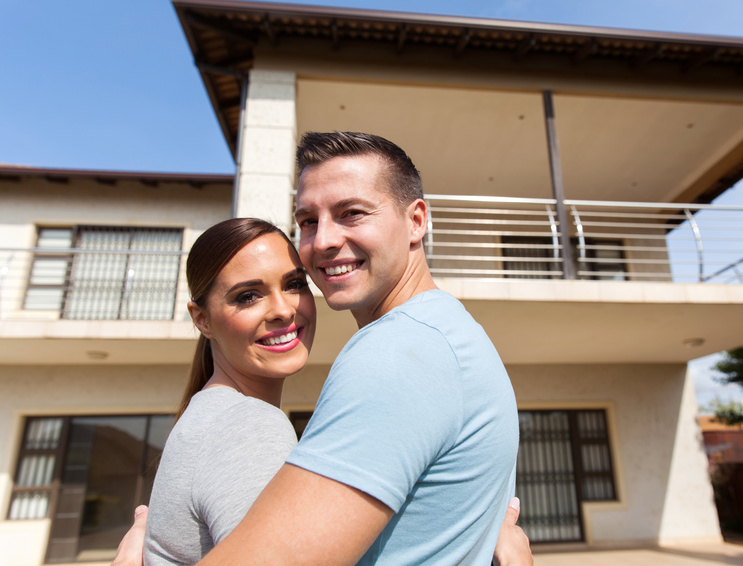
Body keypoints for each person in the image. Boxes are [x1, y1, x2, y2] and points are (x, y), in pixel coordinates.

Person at [114, 132, 528, 565]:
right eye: (308, 221)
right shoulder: (448, 334)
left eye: (351, 213)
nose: (324, 240)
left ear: (416, 221)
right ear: (202, 319)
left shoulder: (397, 352)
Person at [143, 218, 317, 565]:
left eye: (295, 284)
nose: (284, 310)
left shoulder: (216, 415)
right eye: (248, 296)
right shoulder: (246, 425)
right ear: (202, 319)